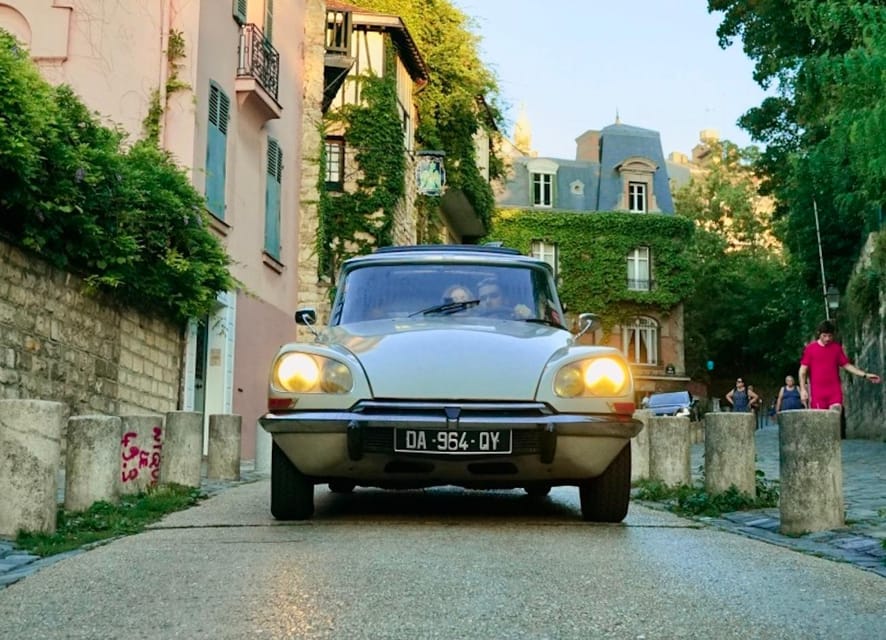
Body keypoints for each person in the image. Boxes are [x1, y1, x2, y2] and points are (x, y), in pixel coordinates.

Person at [798, 319, 881, 411]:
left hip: (834, 392)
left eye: (830, 336)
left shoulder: (836, 348)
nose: (827, 339)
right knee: (822, 422)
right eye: (824, 336)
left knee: (836, 417)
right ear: (819, 334)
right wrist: (803, 389)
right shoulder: (810, 349)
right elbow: (802, 371)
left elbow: (847, 365)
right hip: (818, 394)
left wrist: (865, 375)